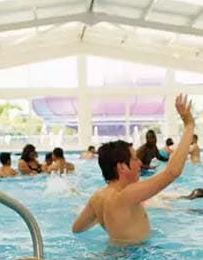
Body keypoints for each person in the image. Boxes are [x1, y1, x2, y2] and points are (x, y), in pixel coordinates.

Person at [71, 94, 196, 244]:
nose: (139, 164)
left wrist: (109, 218)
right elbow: (172, 172)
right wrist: (189, 125)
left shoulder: (98, 197)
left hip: (117, 258)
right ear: (122, 167)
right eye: (135, 159)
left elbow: (77, 228)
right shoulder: (126, 195)